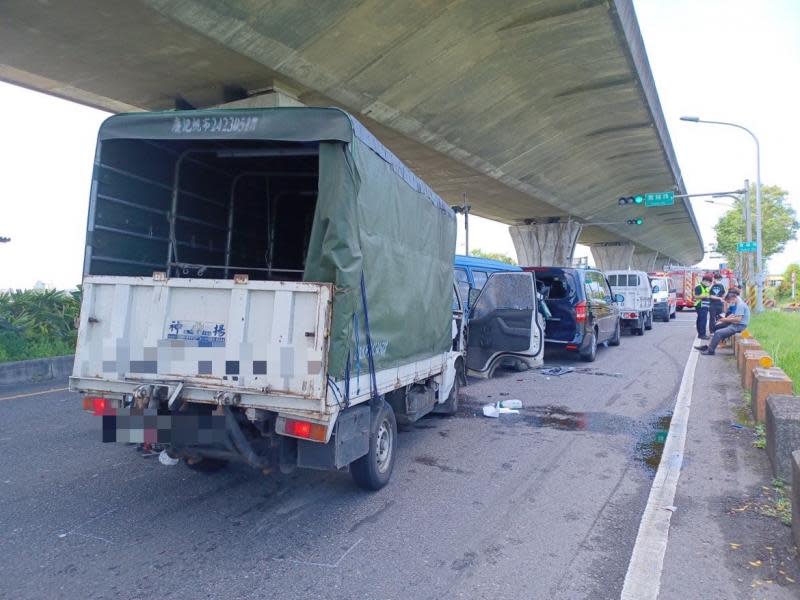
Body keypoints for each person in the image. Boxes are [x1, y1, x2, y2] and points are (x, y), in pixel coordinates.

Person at [695, 289, 750, 355]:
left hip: (739, 326)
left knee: (718, 333)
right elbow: (735, 316)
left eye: (730, 301)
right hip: (736, 325)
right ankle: (709, 348)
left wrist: (724, 320)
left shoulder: (740, 305)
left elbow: (738, 319)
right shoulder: (739, 304)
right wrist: (725, 319)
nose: (730, 303)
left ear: (733, 298)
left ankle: (710, 351)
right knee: (718, 331)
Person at [694, 274, 713, 339]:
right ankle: (702, 334)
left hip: (705, 306)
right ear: (705, 281)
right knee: (702, 320)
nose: (710, 284)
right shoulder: (699, 287)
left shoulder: (706, 287)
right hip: (700, 306)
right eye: (709, 282)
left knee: (701, 320)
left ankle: (700, 333)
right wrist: (705, 296)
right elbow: (696, 296)